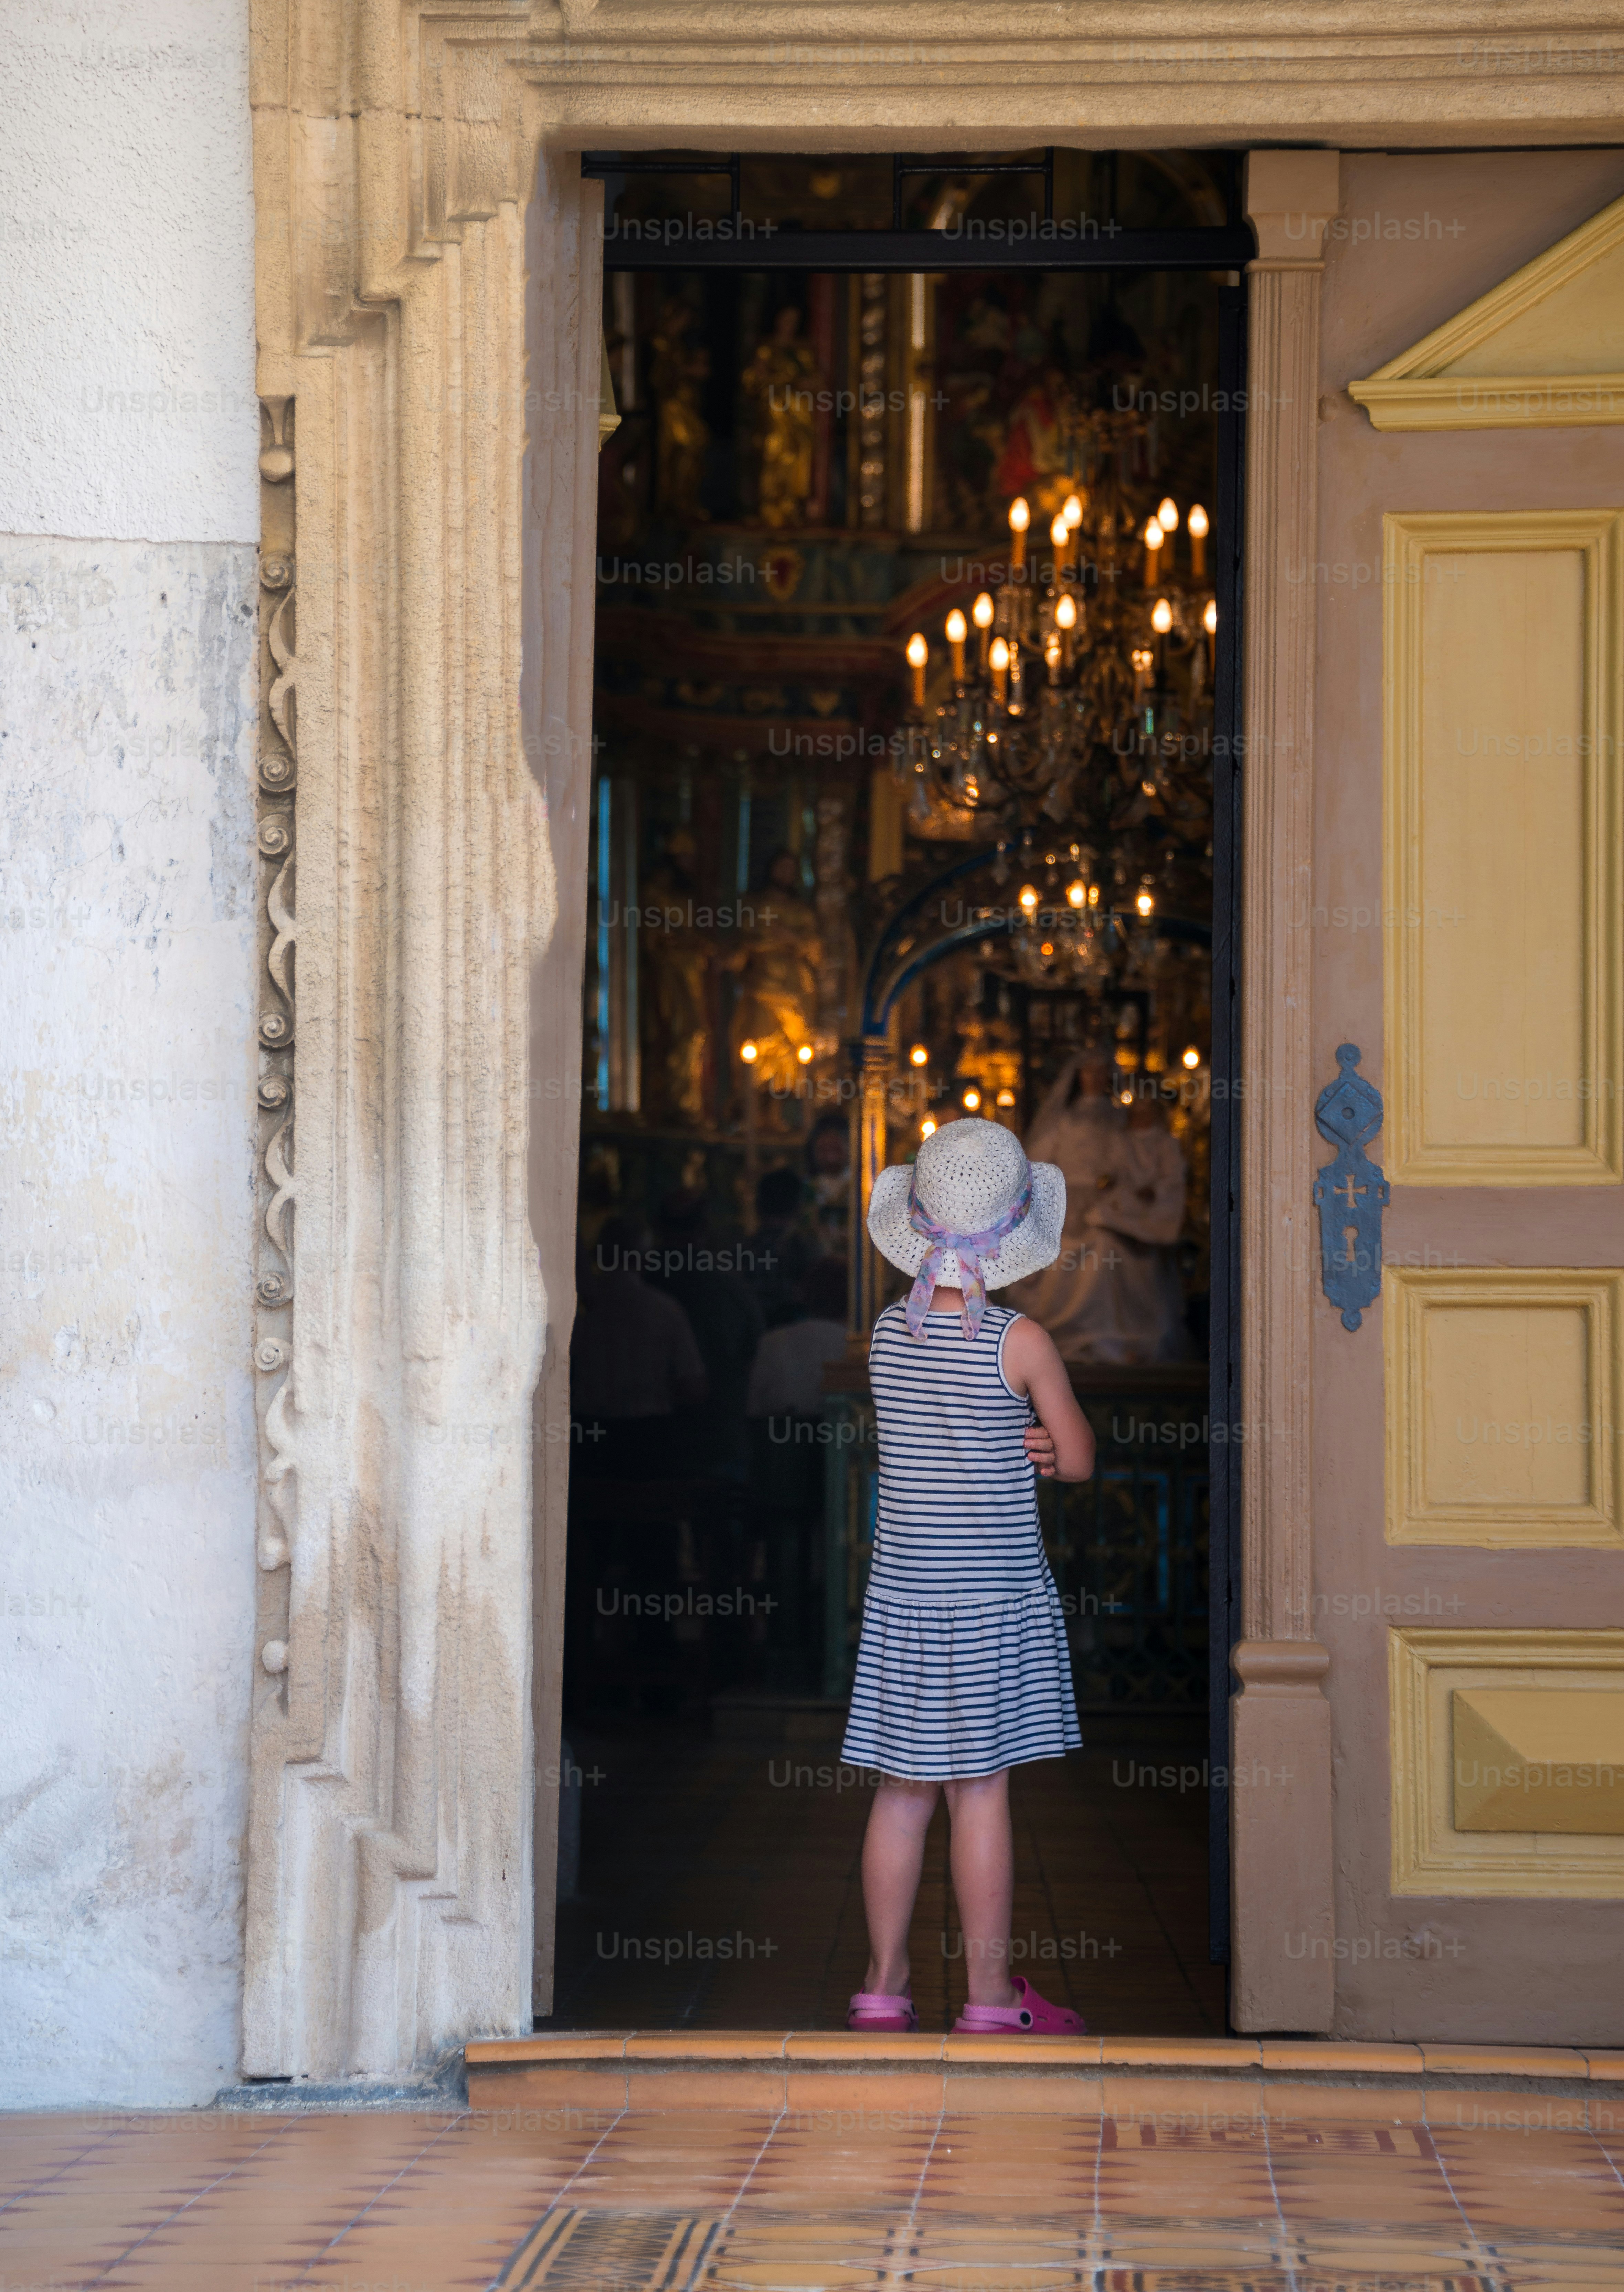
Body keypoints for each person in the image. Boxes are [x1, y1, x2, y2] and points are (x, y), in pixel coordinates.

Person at [841, 1118, 1095, 2035]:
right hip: (989, 1599)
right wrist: (1038, 1443)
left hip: (904, 1596)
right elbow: (1074, 1458)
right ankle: (988, 2000)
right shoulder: (1018, 1342)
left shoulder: (884, 1334)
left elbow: (933, 1434)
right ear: (1012, 1236)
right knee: (977, 1788)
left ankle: (881, 1984)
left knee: (900, 1790)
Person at [1005, 1050, 1186, 1365]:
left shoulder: (1119, 1118)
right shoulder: (1064, 1119)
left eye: (1102, 1072)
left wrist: (1125, 1191)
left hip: (1111, 1203)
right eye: (1089, 1072)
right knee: (1073, 1247)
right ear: (1078, 1076)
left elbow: (1132, 1162)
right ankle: (1068, 1332)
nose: (1095, 1078)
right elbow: (1037, 1166)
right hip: (1067, 1201)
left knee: (1110, 1246)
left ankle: (1115, 1335)